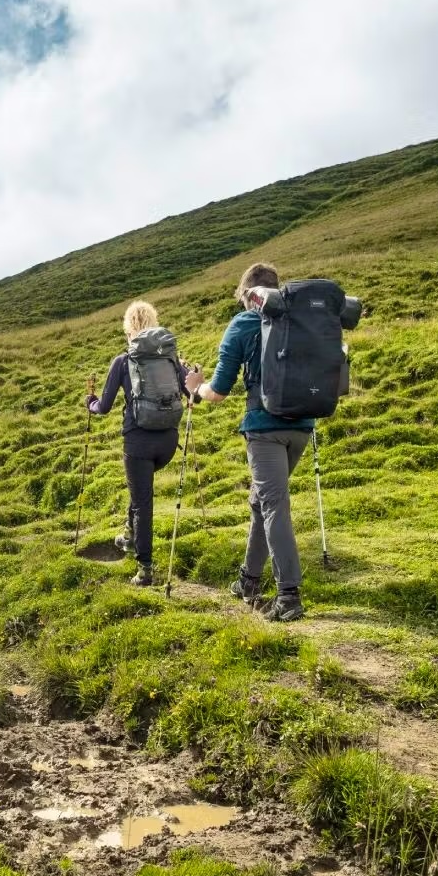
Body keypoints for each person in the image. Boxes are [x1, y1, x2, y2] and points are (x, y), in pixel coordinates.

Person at [184, 262, 313, 623]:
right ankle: (248, 579)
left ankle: (289, 596)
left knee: (272, 504)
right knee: (261, 502)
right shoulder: (298, 320)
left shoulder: (243, 323)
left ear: (247, 295)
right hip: (302, 425)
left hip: (265, 428)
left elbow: (219, 391)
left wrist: (196, 387)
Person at [86, 299, 185, 587]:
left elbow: (104, 407)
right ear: (154, 324)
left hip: (138, 443)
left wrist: (90, 403)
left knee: (142, 502)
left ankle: (145, 570)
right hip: (168, 441)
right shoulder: (171, 358)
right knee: (139, 489)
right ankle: (129, 536)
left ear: (128, 328)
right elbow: (192, 394)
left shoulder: (122, 361)